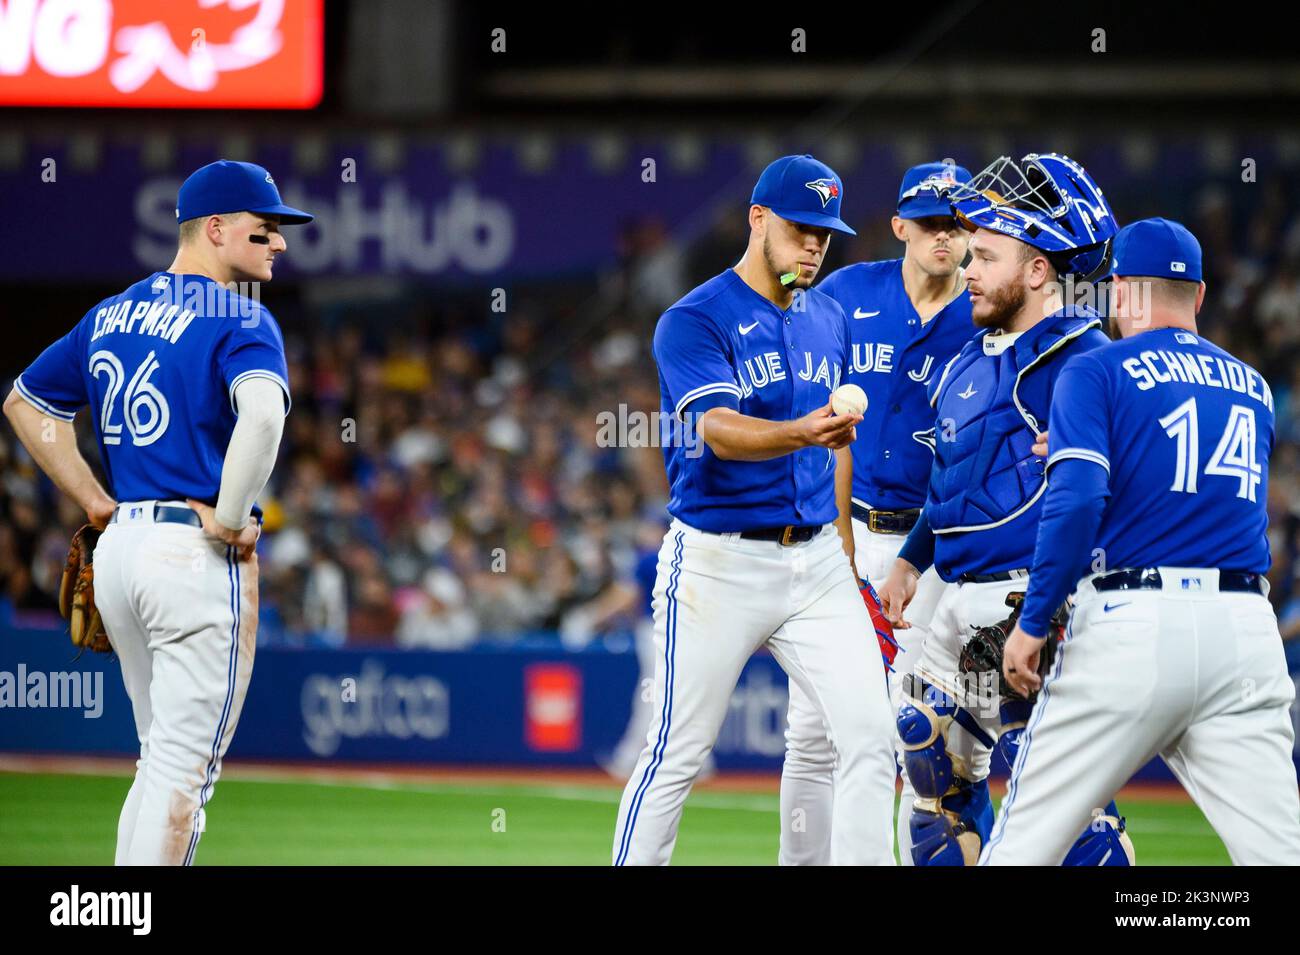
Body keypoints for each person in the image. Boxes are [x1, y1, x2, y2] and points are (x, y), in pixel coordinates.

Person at [3, 160, 311, 865]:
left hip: (122, 552)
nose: (280, 245)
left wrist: (92, 500)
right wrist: (233, 518)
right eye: (264, 230)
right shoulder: (240, 314)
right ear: (216, 228)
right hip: (191, 556)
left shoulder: (109, 312)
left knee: (158, 759)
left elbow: (26, 404)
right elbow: (262, 418)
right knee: (182, 773)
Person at [983, 218, 1300, 865]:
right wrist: (1085, 448)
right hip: (1244, 632)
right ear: (1202, 296)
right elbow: (1187, 483)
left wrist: (1034, 620)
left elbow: (1078, 500)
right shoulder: (1255, 388)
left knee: (1022, 847)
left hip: (1135, 628)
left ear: (1120, 289)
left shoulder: (1096, 372)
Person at [612, 154, 896, 865]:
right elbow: (715, 430)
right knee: (677, 751)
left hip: (818, 561)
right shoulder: (695, 318)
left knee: (870, 736)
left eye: (825, 235)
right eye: (801, 228)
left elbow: (836, 451)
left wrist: (847, 556)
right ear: (758, 219)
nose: (813, 246)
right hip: (719, 558)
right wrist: (806, 429)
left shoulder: (828, 315)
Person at [879, 153, 1134, 865]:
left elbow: (1107, 490)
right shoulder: (971, 357)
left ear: (1037, 271)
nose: (967, 268)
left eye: (986, 256)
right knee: (933, 778)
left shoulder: (1084, 360)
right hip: (955, 600)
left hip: (1032, 602)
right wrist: (909, 558)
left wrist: (1042, 613)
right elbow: (953, 485)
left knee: (1065, 808)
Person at [780, 161, 977, 865]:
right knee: (810, 727)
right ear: (899, 226)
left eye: (958, 225)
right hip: (842, 530)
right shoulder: (846, 292)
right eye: (930, 224)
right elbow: (805, 398)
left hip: (926, 552)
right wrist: (831, 535)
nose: (944, 238)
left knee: (910, 728)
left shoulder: (982, 313)